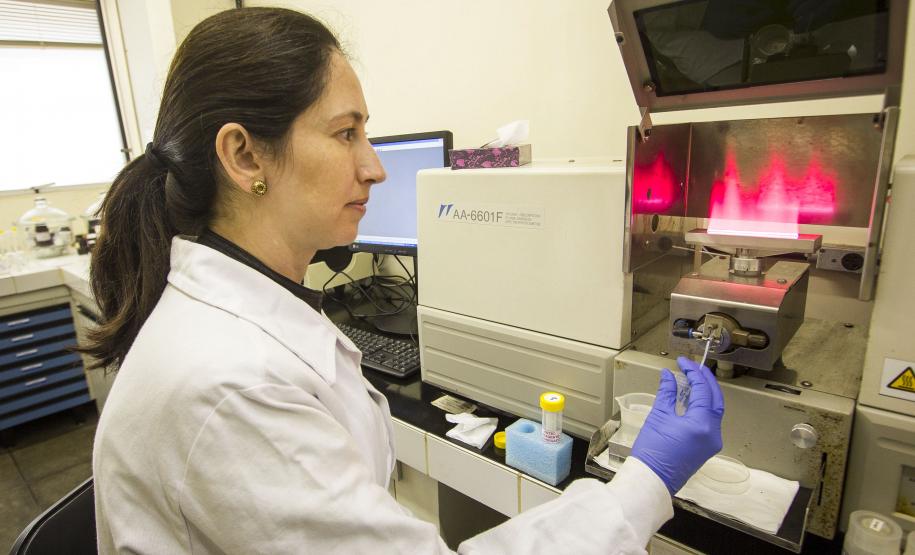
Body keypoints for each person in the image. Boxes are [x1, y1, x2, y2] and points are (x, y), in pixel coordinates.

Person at [87, 7, 725, 554]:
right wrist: (644, 483)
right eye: (346, 133)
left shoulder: (253, 314)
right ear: (245, 155)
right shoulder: (227, 386)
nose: (374, 168)